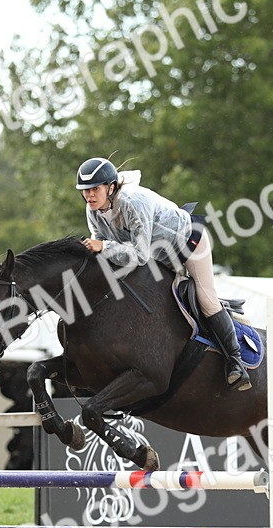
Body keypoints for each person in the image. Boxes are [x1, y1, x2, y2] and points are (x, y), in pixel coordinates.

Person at [75, 157, 250, 391]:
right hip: (158, 256)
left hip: (188, 245)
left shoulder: (133, 202)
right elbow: (101, 247)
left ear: (111, 187)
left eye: (95, 189)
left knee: (206, 300)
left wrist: (103, 247)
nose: (89, 195)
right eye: (85, 190)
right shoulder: (93, 210)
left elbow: (137, 255)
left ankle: (235, 361)